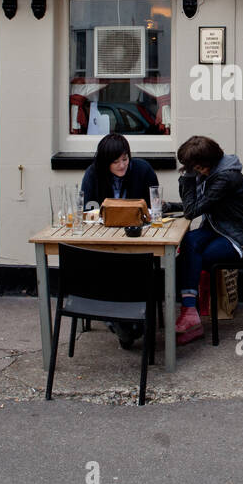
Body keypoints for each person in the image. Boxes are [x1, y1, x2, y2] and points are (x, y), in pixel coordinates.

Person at [175, 135, 243, 345]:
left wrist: (186, 177)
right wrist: (169, 207)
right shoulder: (212, 172)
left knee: (198, 257)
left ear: (209, 162)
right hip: (218, 228)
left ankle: (189, 316)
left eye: (196, 167)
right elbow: (199, 204)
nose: (195, 171)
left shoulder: (226, 177)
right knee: (186, 243)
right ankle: (190, 312)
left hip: (238, 237)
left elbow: (192, 210)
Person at [79, 132, 161, 348]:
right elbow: (87, 211)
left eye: (125, 159)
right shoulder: (93, 174)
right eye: (115, 162)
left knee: (135, 269)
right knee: (106, 267)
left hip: (137, 239)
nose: (122, 165)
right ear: (105, 162)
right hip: (104, 241)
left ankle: (125, 319)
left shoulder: (142, 170)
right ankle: (120, 320)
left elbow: (155, 204)